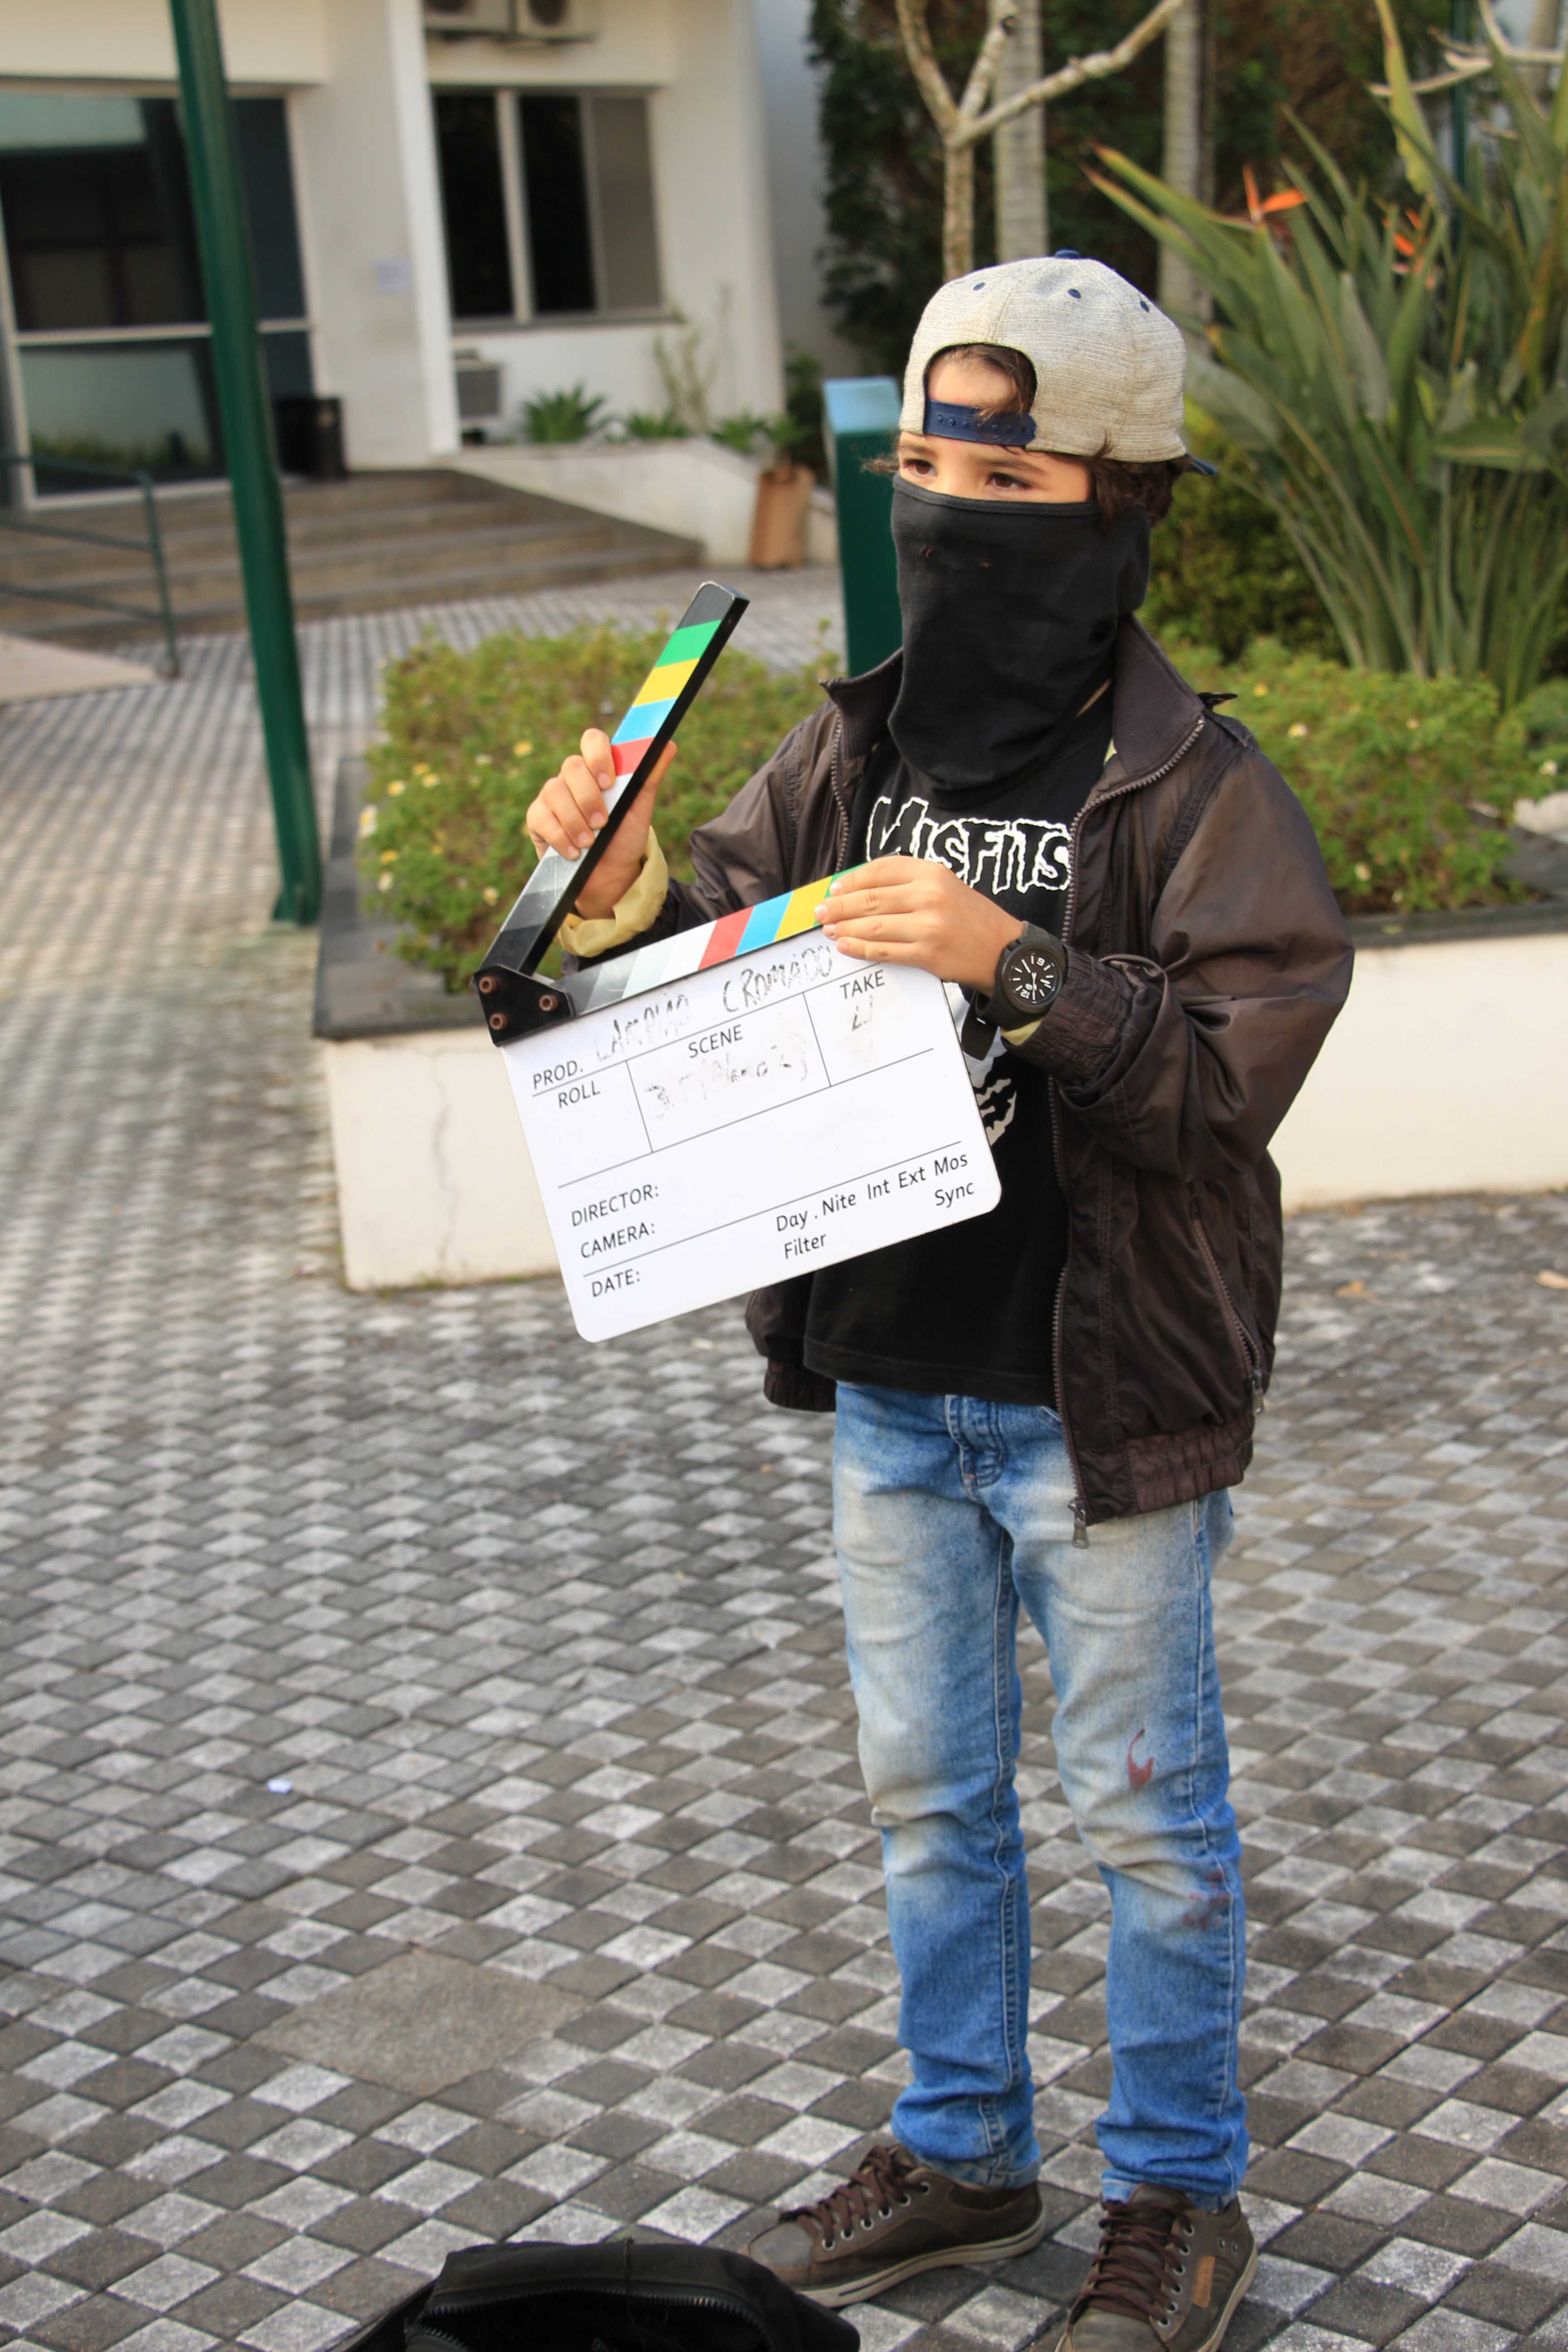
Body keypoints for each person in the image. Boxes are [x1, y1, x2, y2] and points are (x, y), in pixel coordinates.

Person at [525, 256, 1353, 2352]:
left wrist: (1018, 964)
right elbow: (706, 960)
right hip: (890, 1385)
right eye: (918, 463)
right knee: (926, 1804)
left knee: (1151, 1828)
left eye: (1005, 472)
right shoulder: (851, 745)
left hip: (1105, 1412)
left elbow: (1223, 1089)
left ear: (1116, 499)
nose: (949, 509)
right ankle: (965, 2148)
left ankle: (1180, 2201)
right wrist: (616, 897)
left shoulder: (1197, 786)